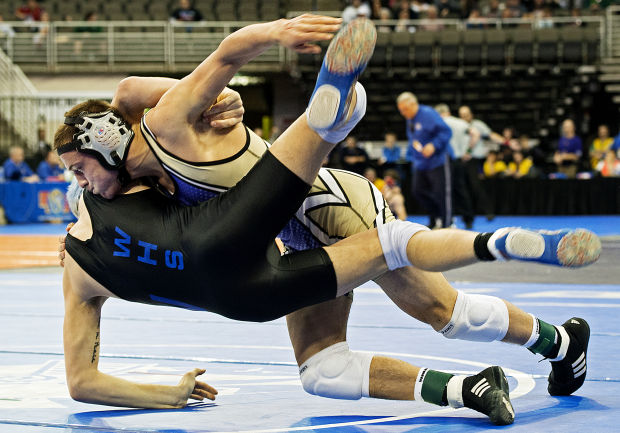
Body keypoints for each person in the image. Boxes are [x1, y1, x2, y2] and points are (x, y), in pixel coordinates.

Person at [57, 17, 598, 425]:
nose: (81, 187)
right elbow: (131, 95)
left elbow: (192, 73)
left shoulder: (164, 123)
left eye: (81, 172)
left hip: (323, 200)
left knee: (444, 311)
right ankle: (479, 380)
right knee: (324, 372)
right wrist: (226, 93)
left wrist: (261, 52)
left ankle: (526, 291)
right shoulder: (128, 170)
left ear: (106, 145)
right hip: (291, 236)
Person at [397, 92, 452, 229]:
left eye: (405, 109)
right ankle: (435, 217)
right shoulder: (410, 118)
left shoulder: (428, 114)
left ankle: (446, 224)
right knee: (418, 191)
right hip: (421, 163)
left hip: (437, 161)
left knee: (441, 193)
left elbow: (446, 132)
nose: (403, 113)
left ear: (413, 104)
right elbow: (414, 139)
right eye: (401, 111)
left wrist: (434, 145)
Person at [436, 103, 475, 229]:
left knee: (444, 191)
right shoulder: (459, 122)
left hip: (445, 161)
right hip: (458, 160)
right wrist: (468, 151)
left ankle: (445, 219)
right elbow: (476, 134)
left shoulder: (439, 123)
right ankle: (468, 220)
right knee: (461, 190)